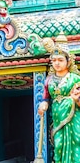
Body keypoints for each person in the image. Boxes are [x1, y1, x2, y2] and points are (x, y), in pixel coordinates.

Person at [37, 34, 80, 163]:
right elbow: (46, 98)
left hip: (73, 117)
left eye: (60, 60)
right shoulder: (49, 80)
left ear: (68, 61)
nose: (57, 63)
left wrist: (74, 99)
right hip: (57, 116)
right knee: (59, 145)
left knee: (76, 142)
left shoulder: (75, 79)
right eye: (54, 60)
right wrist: (43, 104)